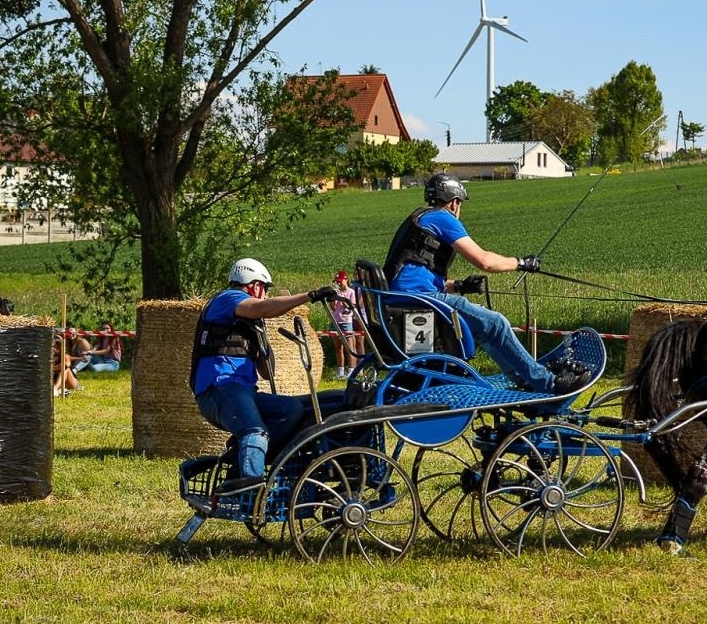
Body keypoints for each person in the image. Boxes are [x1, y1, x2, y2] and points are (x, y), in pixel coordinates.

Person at [385, 172, 591, 395]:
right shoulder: (443, 218)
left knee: (485, 327)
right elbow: (484, 261)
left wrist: (459, 286)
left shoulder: (420, 217)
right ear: (454, 203)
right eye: (460, 204)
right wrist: (521, 263)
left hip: (407, 298)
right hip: (420, 300)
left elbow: (415, 272)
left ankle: (523, 379)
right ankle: (548, 384)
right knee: (495, 323)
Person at [191, 257, 338, 496]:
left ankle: (243, 461)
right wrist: (308, 296)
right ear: (254, 284)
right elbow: (261, 307)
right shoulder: (228, 298)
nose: (265, 295)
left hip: (243, 391)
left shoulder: (250, 321)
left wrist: (261, 342)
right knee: (254, 430)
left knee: (289, 409)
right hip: (219, 388)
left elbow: (266, 372)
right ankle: (250, 488)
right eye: (264, 289)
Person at [328, 270, 361, 379]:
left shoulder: (351, 292)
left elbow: (350, 307)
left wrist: (342, 299)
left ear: (346, 280)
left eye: (340, 281)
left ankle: (351, 370)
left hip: (346, 322)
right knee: (338, 348)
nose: (338, 284)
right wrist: (333, 298)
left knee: (350, 347)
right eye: (337, 282)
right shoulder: (336, 292)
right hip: (335, 321)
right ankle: (340, 371)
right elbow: (333, 308)